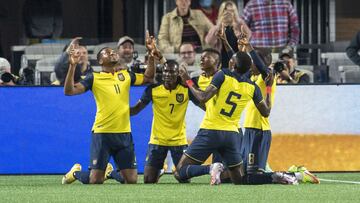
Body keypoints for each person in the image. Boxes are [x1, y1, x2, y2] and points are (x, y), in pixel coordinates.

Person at [175, 47, 300, 185]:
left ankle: (211, 168)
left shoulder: (222, 75)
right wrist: (269, 89)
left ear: (233, 64)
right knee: (239, 179)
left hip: (211, 131)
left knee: (180, 172)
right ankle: (274, 177)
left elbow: (203, 97)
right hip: (232, 135)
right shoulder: (252, 87)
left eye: (231, 60)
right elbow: (266, 112)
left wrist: (187, 80)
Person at [61, 32, 158, 185]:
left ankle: (110, 172)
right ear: (100, 60)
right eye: (108, 53)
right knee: (95, 180)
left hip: (124, 133)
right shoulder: (94, 78)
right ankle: (76, 173)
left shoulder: (125, 75)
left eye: (113, 52)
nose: (112, 53)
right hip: (102, 134)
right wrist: (72, 66)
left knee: (132, 180)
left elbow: (148, 78)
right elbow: (69, 91)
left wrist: (151, 55)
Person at [130, 60, 200, 183]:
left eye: (172, 72)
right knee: (148, 180)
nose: (167, 74)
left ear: (178, 73)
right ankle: (159, 170)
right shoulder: (153, 89)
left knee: (183, 178)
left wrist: (189, 82)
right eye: (165, 71)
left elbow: (202, 103)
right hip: (157, 139)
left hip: (178, 140)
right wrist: (119, 110)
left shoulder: (185, 90)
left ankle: (172, 169)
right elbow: (136, 109)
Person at [206, 1, 251, 67]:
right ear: (222, 12)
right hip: (221, 61)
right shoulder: (217, 27)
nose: (228, 13)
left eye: (231, 11)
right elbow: (209, 42)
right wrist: (219, 24)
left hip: (238, 62)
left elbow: (248, 38)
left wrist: (237, 25)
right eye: (226, 10)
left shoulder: (240, 25)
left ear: (235, 12)